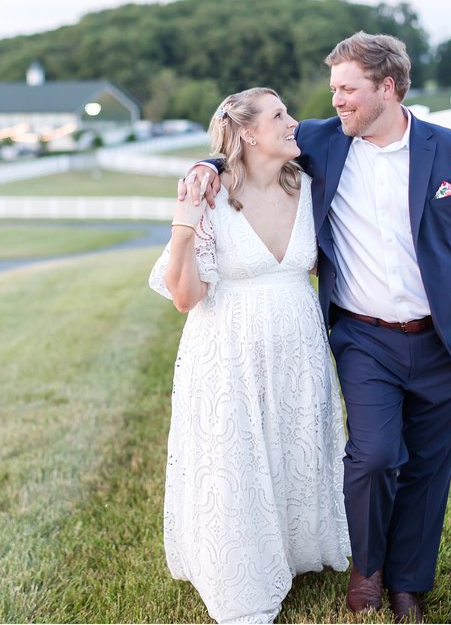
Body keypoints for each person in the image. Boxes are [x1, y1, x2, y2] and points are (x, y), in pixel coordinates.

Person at [181, 32, 451, 623]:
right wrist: (205, 164)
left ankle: (409, 581)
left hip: (446, 340)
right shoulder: (325, 142)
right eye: (333, 89)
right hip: (364, 338)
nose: (335, 101)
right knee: (376, 456)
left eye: (347, 89)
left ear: (388, 87)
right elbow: (245, 138)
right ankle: (368, 567)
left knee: (429, 467)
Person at [149, 87, 351, 623]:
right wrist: (185, 225)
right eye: (279, 115)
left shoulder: (310, 186)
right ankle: (242, 574)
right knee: (236, 457)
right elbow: (185, 297)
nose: (293, 122)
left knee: (293, 445)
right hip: (227, 350)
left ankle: (290, 550)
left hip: (299, 349)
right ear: (247, 132)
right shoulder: (208, 197)